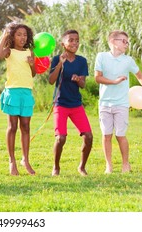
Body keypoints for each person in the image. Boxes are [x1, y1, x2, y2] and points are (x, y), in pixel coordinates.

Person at [95, 30, 142, 173]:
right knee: (106, 135)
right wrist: (114, 81)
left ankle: (125, 164)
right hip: (104, 104)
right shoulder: (101, 57)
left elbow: (140, 76)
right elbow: (97, 78)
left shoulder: (128, 60)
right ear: (113, 42)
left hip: (122, 104)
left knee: (120, 135)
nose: (126, 44)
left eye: (127, 42)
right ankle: (109, 166)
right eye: (123, 41)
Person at [48, 30, 93, 176]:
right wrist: (60, 64)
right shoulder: (56, 59)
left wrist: (78, 79)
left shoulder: (81, 61)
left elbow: (83, 85)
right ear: (63, 44)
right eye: (71, 40)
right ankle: (56, 167)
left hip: (76, 105)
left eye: (77, 40)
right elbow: (51, 80)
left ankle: (81, 166)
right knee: (60, 138)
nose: (74, 43)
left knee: (88, 136)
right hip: (61, 104)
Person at [0, 22, 36, 176]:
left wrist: (32, 65)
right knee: (12, 126)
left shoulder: (30, 52)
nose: (22, 37)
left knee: (25, 126)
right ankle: (12, 161)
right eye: (19, 34)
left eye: (25, 35)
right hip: (12, 91)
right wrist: (5, 34)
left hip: (26, 93)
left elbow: (33, 74)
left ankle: (25, 159)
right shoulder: (9, 51)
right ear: (13, 36)